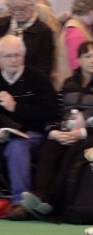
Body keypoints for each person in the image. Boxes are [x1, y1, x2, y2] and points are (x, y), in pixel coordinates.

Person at [18, 40, 93, 221]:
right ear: (78, 60)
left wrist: (83, 132)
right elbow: (55, 113)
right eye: (87, 56)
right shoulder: (68, 83)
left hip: (92, 134)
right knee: (49, 149)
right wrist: (54, 131)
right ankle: (41, 196)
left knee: (71, 153)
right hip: (65, 131)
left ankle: (54, 201)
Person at [0, 35, 57, 220]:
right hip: (3, 134)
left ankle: (20, 203)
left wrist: (15, 107)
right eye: (8, 56)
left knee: (17, 146)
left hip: (33, 135)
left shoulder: (37, 78)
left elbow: (50, 112)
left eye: (17, 55)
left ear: (24, 56)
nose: (13, 60)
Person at [51, 0, 93, 91]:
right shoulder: (76, 31)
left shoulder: (79, 27)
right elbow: (77, 66)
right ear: (90, 10)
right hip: (73, 92)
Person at [0, 0, 55, 76]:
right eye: (13, 8)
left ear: (32, 5)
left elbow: (43, 69)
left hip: (29, 84)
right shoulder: (2, 24)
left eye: (22, 8)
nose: (17, 12)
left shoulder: (43, 32)